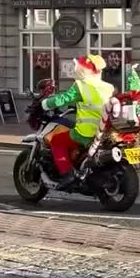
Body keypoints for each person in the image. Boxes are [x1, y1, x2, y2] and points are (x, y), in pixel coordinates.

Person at [41, 55, 114, 188]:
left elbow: (63, 99)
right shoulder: (108, 87)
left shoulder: (81, 86)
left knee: (57, 140)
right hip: (105, 131)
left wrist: (45, 103)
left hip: (86, 132)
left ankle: (67, 173)